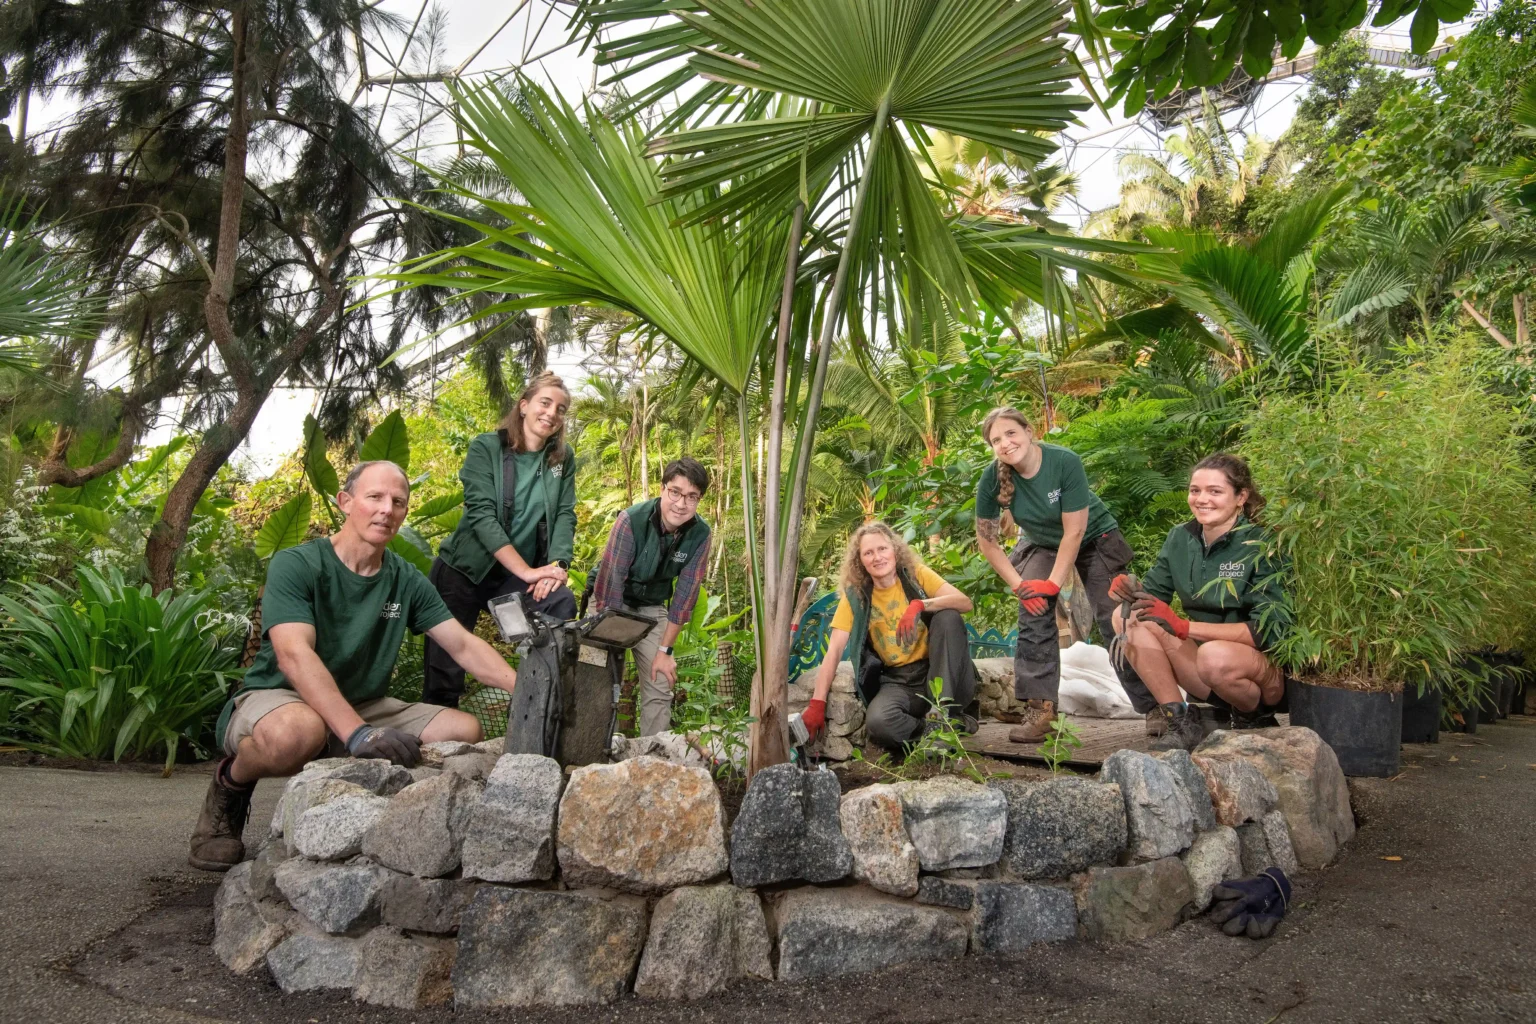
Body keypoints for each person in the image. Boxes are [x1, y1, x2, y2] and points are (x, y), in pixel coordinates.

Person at [189, 461, 520, 872]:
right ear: (346, 502)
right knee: (299, 731)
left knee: (462, 729)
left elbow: (464, 645)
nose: (387, 509)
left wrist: (527, 687)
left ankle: (379, 812)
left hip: (362, 702)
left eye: (398, 502)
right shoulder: (298, 564)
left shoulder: (407, 579)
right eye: (375, 497)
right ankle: (231, 786)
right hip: (279, 697)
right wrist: (358, 732)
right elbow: (294, 655)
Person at [973, 406, 1155, 744]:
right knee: (1034, 615)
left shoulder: (1063, 461)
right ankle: (1040, 710)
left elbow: (1074, 532)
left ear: (1029, 431)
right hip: (1041, 542)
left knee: (1116, 617)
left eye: (1010, 433)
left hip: (1092, 537)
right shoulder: (992, 478)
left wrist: (1052, 584)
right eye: (996, 440)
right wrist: (1022, 588)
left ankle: (1156, 707)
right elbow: (987, 542)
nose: (1005, 443)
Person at [1112, 453, 1291, 751]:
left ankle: (1252, 717)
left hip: (1259, 675)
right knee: (1126, 616)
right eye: (1195, 490)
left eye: (1215, 491)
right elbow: (1153, 596)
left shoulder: (1264, 543)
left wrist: (1184, 627)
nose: (1202, 499)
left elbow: (1267, 630)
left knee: (1214, 656)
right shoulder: (1180, 538)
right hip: (1205, 672)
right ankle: (1180, 721)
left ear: (1241, 497)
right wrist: (1130, 589)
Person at [422, 371, 578, 708]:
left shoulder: (561, 460)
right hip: (464, 569)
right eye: (545, 403)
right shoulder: (486, 447)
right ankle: (440, 737)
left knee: (559, 603)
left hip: (514, 575)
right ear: (524, 406)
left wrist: (557, 565)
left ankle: (540, 704)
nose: (552, 413)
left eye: (561, 409)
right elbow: (482, 515)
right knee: (445, 667)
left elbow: (566, 513)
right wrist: (527, 572)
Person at [803, 522, 977, 751]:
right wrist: (817, 702)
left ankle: (941, 712)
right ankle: (936, 729)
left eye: (882, 549)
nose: (877, 557)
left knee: (948, 617)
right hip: (899, 681)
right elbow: (834, 650)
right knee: (879, 723)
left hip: (941, 675)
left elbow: (965, 603)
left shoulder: (917, 575)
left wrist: (919, 605)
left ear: (894, 550)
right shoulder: (857, 597)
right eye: (868, 553)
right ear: (861, 561)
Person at [589, 458, 714, 737]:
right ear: (662, 489)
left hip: (651, 606)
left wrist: (664, 652)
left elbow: (684, 598)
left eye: (692, 497)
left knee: (660, 682)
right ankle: (592, 753)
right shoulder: (630, 520)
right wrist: (612, 646)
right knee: (599, 680)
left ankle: (651, 757)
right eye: (675, 492)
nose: (681, 504)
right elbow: (611, 589)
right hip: (610, 603)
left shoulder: (700, 535)